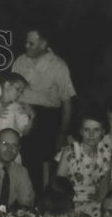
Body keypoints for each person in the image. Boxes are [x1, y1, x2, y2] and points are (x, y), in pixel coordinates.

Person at [10, 27, 77, 189]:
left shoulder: (59, 66)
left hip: (45, 119)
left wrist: (63, 132)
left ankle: (40, 200)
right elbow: (11, 90)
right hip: (19, 114)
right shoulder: (20, 61)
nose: (26, 46)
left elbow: (67, 102)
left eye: (31, 43)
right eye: (25, 42)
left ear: (43, 44)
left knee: (40, 167)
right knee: (16, 159)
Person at [55, 113, 112, 217]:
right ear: (81, 131)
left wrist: (102, 205)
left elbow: (104, 186)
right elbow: (59, 187)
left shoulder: (106, 153)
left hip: (94, 204)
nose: (91, 134)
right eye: (87, 130)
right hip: (70, 203)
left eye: (96, 130)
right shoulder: (70, 152)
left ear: (103, 132)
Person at [0, 128, 35, 209]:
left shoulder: (21, 172)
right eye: (4, 143)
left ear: (18, 149)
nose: (9, 149)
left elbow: (27, 205)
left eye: (14, 145)